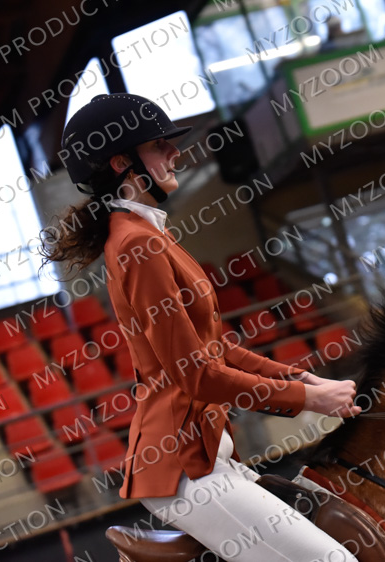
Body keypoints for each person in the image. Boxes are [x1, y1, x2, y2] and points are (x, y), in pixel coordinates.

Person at [41, 93, 361, 562]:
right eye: (159, 145)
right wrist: (309, 401)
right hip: (186, 469)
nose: (175, 152)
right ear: (121, 164)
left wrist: (302, 379)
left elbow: (217, 348)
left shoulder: (152, 235)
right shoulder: (137, 245)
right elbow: (196, 374)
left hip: (212, 456)